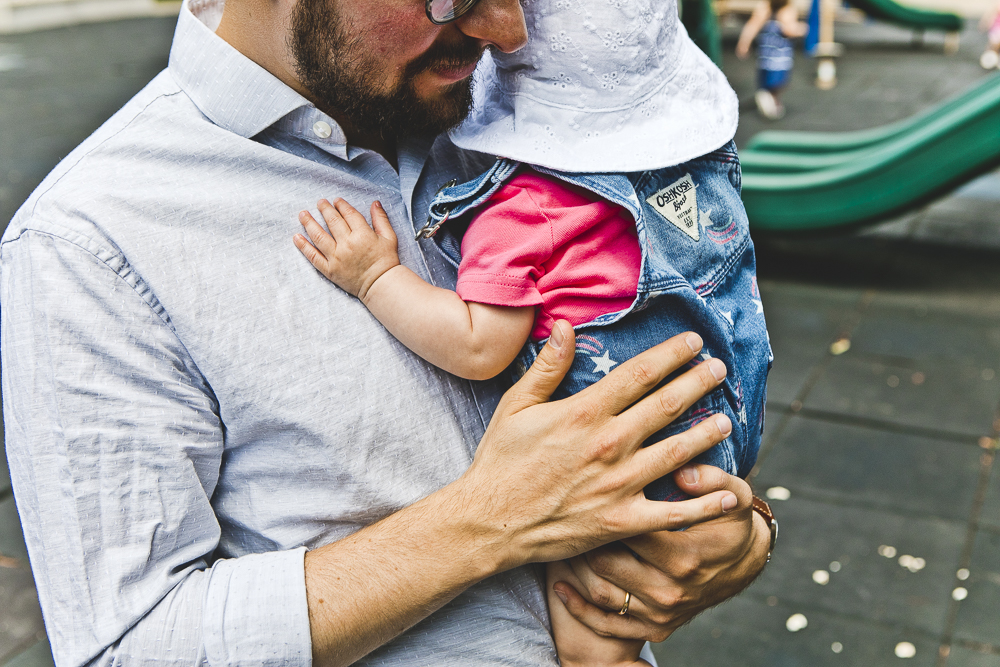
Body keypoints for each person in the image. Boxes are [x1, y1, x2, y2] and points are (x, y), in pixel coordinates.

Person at [0, 0, 774, 665]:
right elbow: (130, 644)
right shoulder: (92, 242)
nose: (507, 31)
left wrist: (736, 533)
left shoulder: (535, 121)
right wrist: (491, 518)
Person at [292, 2, 770, 664]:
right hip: (717, 428)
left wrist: (377, 279)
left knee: (589, 632)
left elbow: (480, 347)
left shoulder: (525, 208)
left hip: (617, 465)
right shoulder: (699, 169)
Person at [736, 0, 808, 120]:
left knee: (768, 80)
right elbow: (789, 30)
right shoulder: (786, 10)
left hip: (765, 56)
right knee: (778, 82)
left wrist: (744, 42)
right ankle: (769, 98)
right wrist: (802, 29)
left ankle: (769, 97)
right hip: (779, 58)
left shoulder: (765, 8)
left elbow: (752, 25)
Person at [979, 0, 1000, 69]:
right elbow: (991, 15)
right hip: (996, 29)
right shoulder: (997, 5)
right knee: (993, 46)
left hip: (996, 29)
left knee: (993, 46)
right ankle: (991, 60)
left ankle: (992, 60)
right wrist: (984, 24)